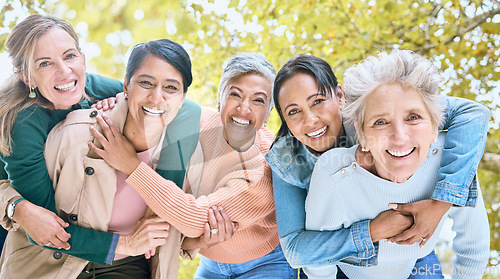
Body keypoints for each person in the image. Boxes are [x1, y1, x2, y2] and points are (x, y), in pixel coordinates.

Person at [0, 14, 199, 272]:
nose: (64, 71)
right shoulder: (23, 123)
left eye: (69, 56)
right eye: (45, 63)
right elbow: (50, 230)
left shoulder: (92, 86)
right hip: (25, 228)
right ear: (27, 78)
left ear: (82, 58)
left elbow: (183, 109)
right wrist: (127, 244)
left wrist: (157, 208)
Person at [265, 53, 490, 277]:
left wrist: (441, 204)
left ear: (340, 96)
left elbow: (470, 113)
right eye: (293, 111)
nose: (311, 119)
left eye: (318, 101)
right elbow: (296, 249)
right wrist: (372, 231)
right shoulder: (290, 161)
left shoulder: (373, 107)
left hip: (409, 247)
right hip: (341, 259)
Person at [89, 53, 298, 278]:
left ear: (268, 112)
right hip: (211, 261)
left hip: (262, 261)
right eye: (235, 95)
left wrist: (131, 165)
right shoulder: (201, 120)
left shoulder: (263, 170)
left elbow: (194, 218)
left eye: (258, 100)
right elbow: (156, 93)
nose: (243, 108)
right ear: (220, 100)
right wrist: (117, 95)